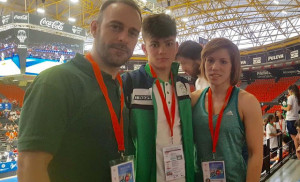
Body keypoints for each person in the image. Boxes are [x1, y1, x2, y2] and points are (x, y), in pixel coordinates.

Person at [17, 1, 142, 182]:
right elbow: (30, 166)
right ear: (94, 28)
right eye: (115, 27)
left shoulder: (117, 85)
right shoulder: (55, 81)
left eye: (132, 32)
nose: (124, 38)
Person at [122, 14, 194, 182]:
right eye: (154, 44)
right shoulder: (130, 83)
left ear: (176, 47)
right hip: (145, 176)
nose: (162, 51)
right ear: (144, 48)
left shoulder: (183, 85)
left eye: (168, 44)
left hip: (182, 175)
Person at [191, 38, 263, 181]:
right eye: (210, 60)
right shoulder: (193, 100)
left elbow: (255, 154)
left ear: (233, 66)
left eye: (223, 61)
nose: (214, 67)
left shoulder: (247, 102)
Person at [281, 84, 300, 159]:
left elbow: (288, 108)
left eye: (288, 90)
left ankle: (297, 152)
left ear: (291, 90)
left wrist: (283, 107)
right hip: (296, 118)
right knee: (297, 136)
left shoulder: (291, 97)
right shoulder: (297, 97)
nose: (288, 92)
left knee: (294, 137)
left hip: (290, 119)